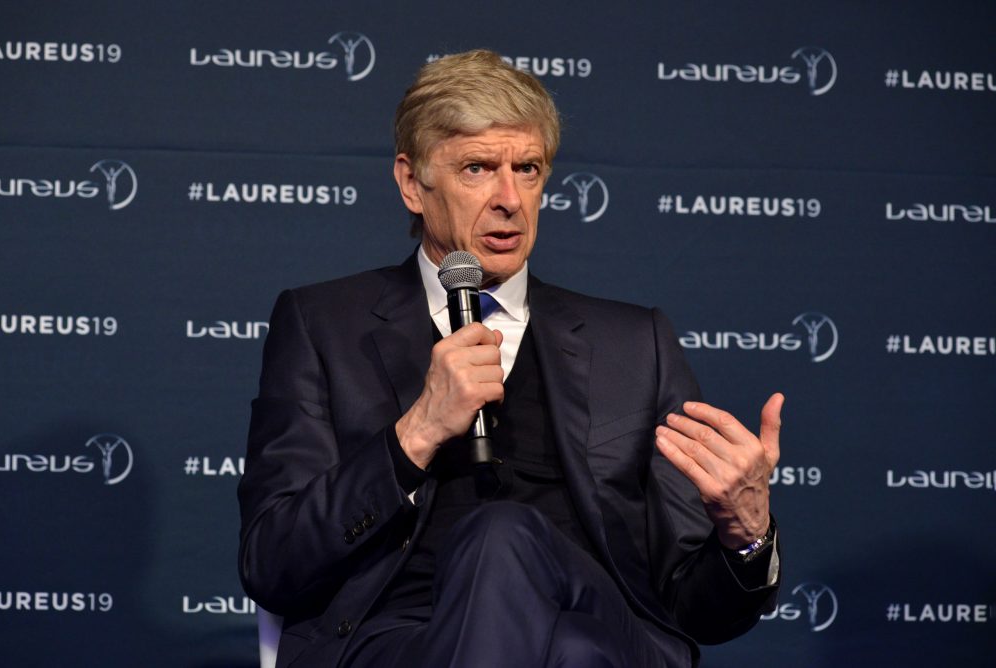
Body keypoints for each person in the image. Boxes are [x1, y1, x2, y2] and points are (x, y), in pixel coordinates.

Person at [238, 49, 783, 668]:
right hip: (400, 639)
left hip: (602, 619)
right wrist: (414, 434)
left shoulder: (635, 343)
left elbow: (695, 610)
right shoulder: (324, 325)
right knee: (569, 652)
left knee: (506, 536)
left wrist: (747, 533)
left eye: (527, 169)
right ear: (412, 183)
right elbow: (272, 562)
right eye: (476, 168)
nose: (509, 199)